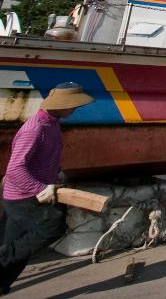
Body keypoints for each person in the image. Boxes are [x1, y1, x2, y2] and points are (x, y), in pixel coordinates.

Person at [0, 82, 95, 293]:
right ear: (61, 104)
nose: (75, 109)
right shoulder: (35, 129)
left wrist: (56, 172)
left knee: (14, 244)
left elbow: (43, 158)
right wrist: (40, 188)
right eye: (73, 105)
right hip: (21, 197)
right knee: (52, 227)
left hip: (26, 193)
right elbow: (15, 169)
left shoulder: (52, 123)